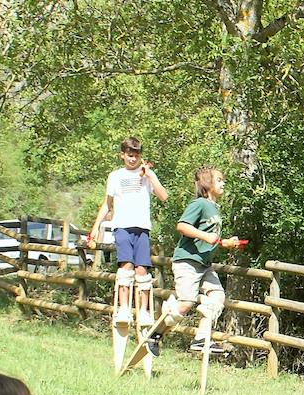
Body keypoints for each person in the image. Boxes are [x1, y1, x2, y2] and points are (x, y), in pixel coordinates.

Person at [156, 167, 244, 353]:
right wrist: (205, 236)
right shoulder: (200, 204)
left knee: (217, 297)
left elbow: (210, 237)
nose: (223, 184)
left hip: (204, 264)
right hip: (187, 261)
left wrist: (225, 243)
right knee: (186, 303)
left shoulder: (214, 208)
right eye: (219, 180)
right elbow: (182, 226)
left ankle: (201, 339)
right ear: (207, 184)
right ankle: (156, 333)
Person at [88, 137, 168, 329]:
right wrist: (95, 227)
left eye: (136, 156)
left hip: (142, 228)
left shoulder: (146, 175)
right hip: (122, 226)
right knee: (126, 267)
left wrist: (150, 175)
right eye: (130, 156)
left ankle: (143, 311)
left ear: (141, 156)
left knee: (142, 271)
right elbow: (107, 205)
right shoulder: (116, 176)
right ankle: (124, 308)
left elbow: (164, 197)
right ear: (122, 155)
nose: (133, 159)